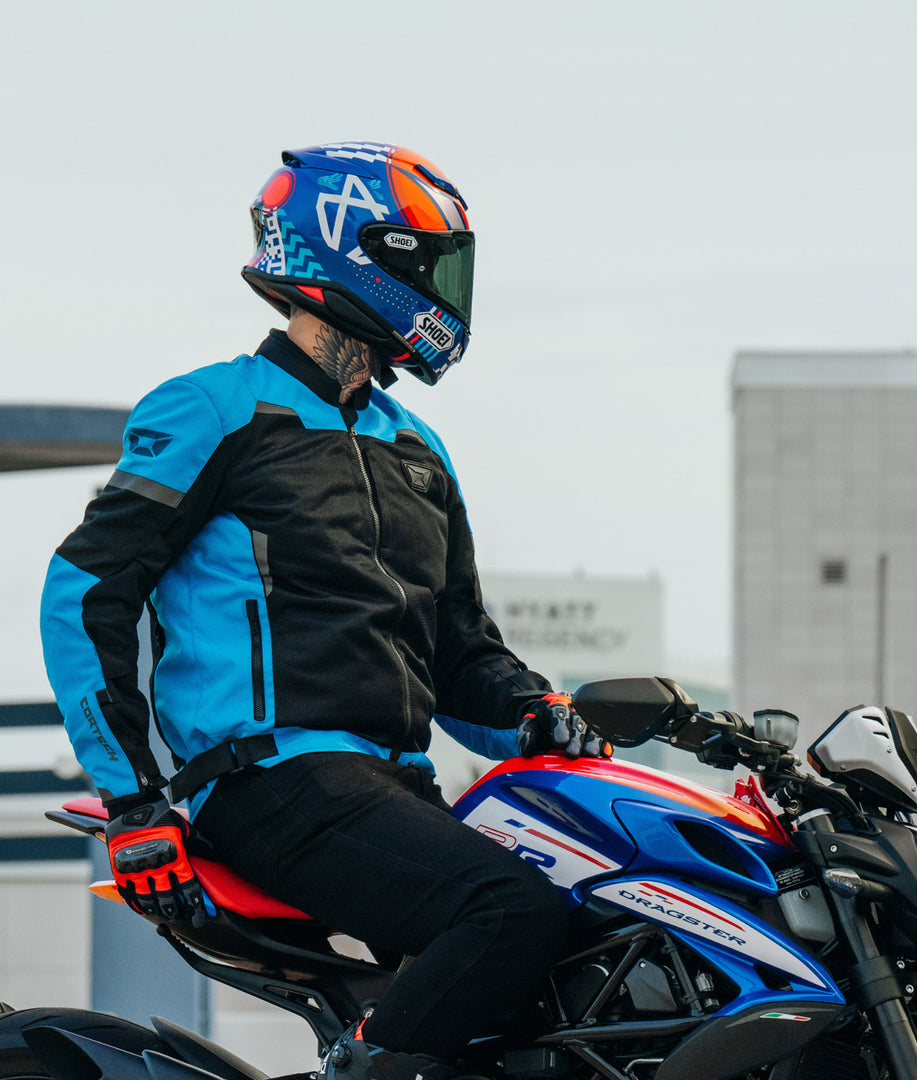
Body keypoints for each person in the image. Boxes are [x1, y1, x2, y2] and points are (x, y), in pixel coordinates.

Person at [39, 140, 609, 1080]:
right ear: (357, 253)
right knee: (509, 912)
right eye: (432, 265)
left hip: (395, 788)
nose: (448, 292)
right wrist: (135, 800)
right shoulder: (215, 408)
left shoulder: (417, 448)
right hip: (272, 783)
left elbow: (460, 656)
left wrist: (539, 713)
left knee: (575, 972)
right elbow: (84, 593)